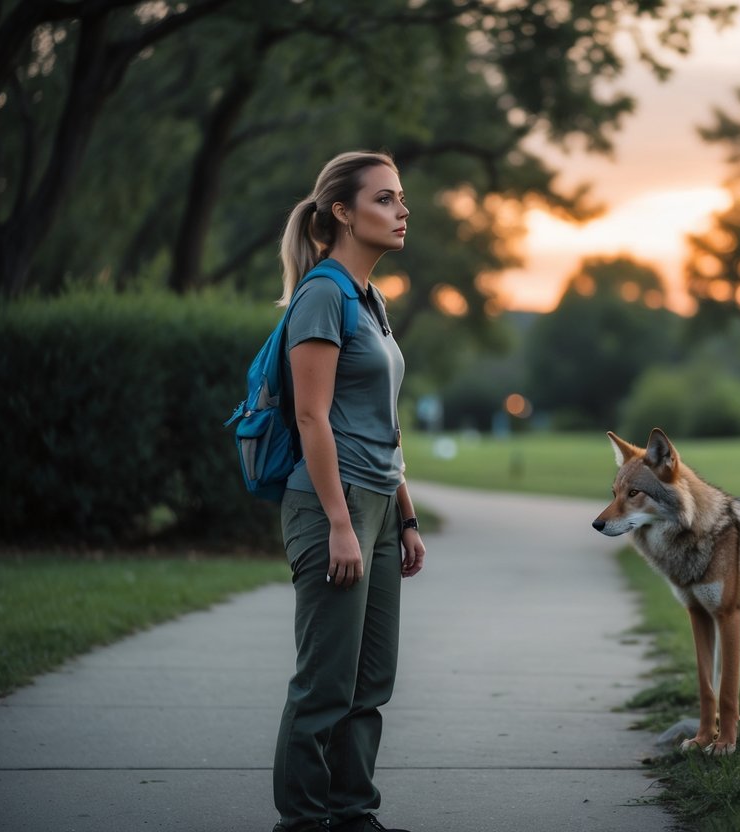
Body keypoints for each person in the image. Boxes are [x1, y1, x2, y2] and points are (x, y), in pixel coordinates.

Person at [271, 150, 425, 832]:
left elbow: (381, 424)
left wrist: (407, 518)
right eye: (386, 199)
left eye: (400, 199)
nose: (402, 211)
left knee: (370, 684)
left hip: (379, 510)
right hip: (329, 504)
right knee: (324, 685)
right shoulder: (323, 294)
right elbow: (312, 417)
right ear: (342, 212)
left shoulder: (373, 301)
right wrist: (338, 521)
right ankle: (301, 823)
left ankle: (353, 814)